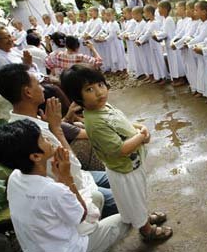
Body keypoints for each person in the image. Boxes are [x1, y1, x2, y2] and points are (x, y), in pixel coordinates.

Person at [0, 63, 118, 222]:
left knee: (118, 177)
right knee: (122, 197)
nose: (43, 88)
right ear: (28, 92)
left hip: (81, 177)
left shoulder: (32, 119)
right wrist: (57, 129)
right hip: (75, 189)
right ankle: (140, 224)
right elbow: (71, 167)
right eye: (38, 83)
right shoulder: (32, 133)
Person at [61, 64, 173, 241]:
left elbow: (122, 122)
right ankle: (146, 230)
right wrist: (142, 136)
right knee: (133, 199)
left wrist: (138, 127)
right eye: (89, 89)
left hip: (131, 164)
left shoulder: (102, 106)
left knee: (137, 196)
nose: (99, 92)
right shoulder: (96, 123)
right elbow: (119, 150)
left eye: (100, 85)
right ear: (77, 97)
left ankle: (142, 217)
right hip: (124, 169)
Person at [0, 120, 130, 252]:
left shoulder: (15, 178)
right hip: (69, 249)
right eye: (42, 139)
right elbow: (82, 215)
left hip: (40, 247)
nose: (48, 140)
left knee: (96, 196)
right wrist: (67, 179)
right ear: (36, 157)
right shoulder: (53, 190)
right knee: (127, 217)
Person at [173, 0, 200, 92]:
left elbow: (192, 36)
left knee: (194, 68)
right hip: (185, 47)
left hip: (192, 49)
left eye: (187, 9)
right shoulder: (189, 22)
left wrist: (179, 43)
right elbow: (183, 34)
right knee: (188, 68)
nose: (186, 11)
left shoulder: (198, 22)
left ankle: (197, 88)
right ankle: (193, 85)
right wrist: (176, 41)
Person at [156, 0, 185, 85]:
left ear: (165, 9)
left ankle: (180, 78)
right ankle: (176, 77)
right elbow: (163, 31)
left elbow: (165, 33)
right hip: (169, 44)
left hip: (173, 44)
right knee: (172, 62)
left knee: (176, 61)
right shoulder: (165, 19)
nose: (158, 10)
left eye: (159, 8)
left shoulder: (169, 19)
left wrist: (156, 35)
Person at [188, 0, 207, 97]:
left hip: (205, 52)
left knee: (205, 73)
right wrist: (191, 42)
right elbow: (196, 36)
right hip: (199, 50)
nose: (194, 12)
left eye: (196, 10)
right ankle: (202, 91)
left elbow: (202, 37)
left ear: (204, 12)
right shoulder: (201, 23)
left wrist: (189, 43)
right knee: (201, 72)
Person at [137, 5, 167, 84]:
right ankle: (158, 76)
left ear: (150, 13)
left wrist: (140, 41)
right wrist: (139, 38)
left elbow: (148, 33)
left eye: (145, 13)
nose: (144, 14)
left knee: (159, 60)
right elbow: (143, 32)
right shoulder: (148, 23)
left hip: (156, 44)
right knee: (154, 61)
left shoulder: (155, 23)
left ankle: (164, 77)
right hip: (151, 44)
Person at [129, 6, 151, 80]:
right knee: (142, 60)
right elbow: (135, 33)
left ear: (139, 14)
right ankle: (147, 74)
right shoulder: (138, 24)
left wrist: (130, 37)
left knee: (147, 60)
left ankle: (150, 75)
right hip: (139, 45)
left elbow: (140, 34)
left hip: (144, 46)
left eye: (134, 14)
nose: (133, 16)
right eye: (132, 14)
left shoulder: (143, 23)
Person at [169, 1, 188, 86]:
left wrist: (178, 42)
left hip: (185, 44)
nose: (176, 10)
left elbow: (186, 34)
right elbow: (177, 33)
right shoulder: (180, 21)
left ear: (184, 9)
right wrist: (174, 41)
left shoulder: (188, 20)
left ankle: (185, 79)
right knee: (185, 63)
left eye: (177, 8)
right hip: (179, 45)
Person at [103, 8, 127, 73]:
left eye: (109, 15)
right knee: (114, 55)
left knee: (120, 55)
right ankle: (118, 68)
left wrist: (104, 39)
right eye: (107, 15)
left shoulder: (115, 23)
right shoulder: (109, 23)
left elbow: (112, 35)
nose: (108, 17)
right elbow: (107, 32)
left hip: (117, 42)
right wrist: (103, 36)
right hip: (112, 43)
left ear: (113, 15)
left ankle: (123, 70)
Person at [119, 7, 137, 75]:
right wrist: (122, 23)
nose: (124, 15)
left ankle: (137, 69)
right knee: (131, 55)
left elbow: (128, 31)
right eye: (123, 13)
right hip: (129, 42)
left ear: (130, 13)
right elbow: (124, 30)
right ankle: (134, 69)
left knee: (134, 55)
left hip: (133, 42)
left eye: (125, 13)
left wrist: (121, 35)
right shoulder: (128, 21)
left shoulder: (133, 21)